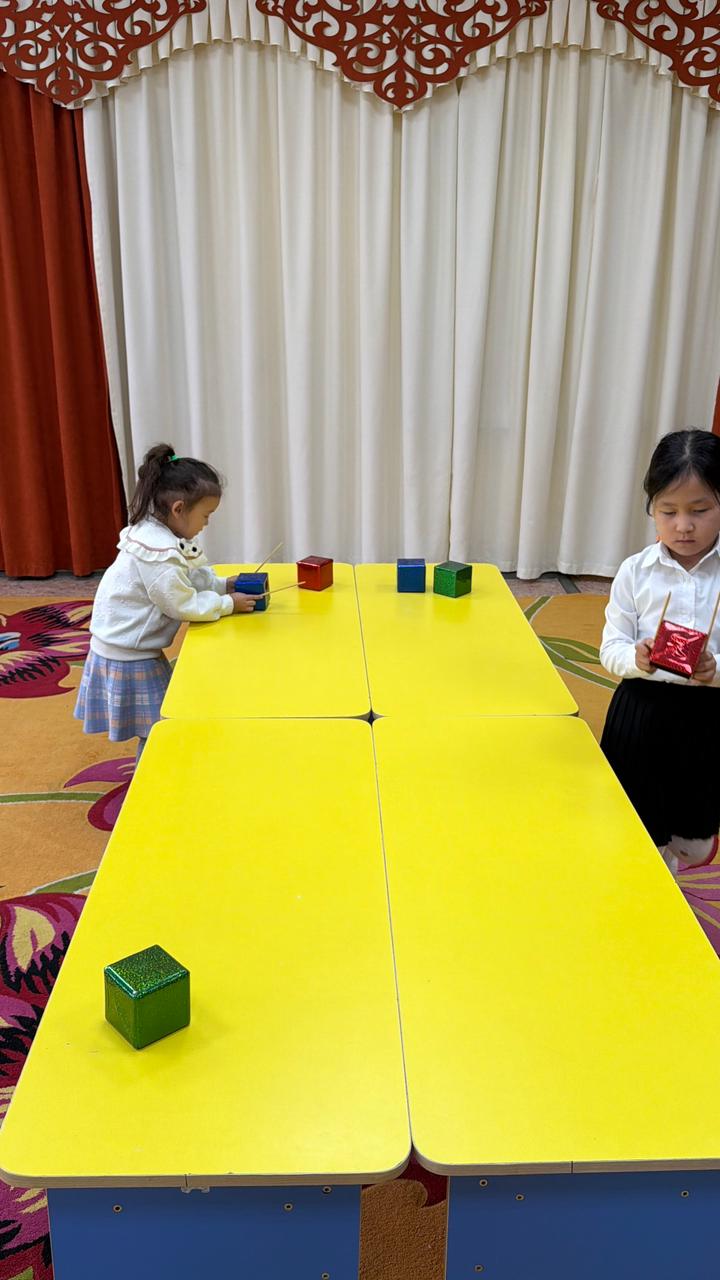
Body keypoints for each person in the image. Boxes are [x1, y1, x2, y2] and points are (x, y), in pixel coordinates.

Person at [75, 443, 256, 758]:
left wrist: (221, 584)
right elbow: (182, 604)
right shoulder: (159, 553)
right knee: (163, 727)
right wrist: (228, 603)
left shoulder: (156, 532)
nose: (206, 524)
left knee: (162, 724)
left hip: (127, 647)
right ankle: (151, 780)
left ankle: (156, 770)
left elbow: (187, 578)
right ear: (178, 509)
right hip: (130, 656)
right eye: (206, 516)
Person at [600, 428, 720, 874]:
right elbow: (610, 648)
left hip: (708, 717)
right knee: (636, 825)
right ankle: (654, 879)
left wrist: (714, 669)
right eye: (668, 511)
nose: (683, 525)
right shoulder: (636, 572)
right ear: (652, 507)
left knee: (694, 838)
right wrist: (636, 657)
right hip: (642, 711)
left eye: (700, 510)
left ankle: (685, 848)